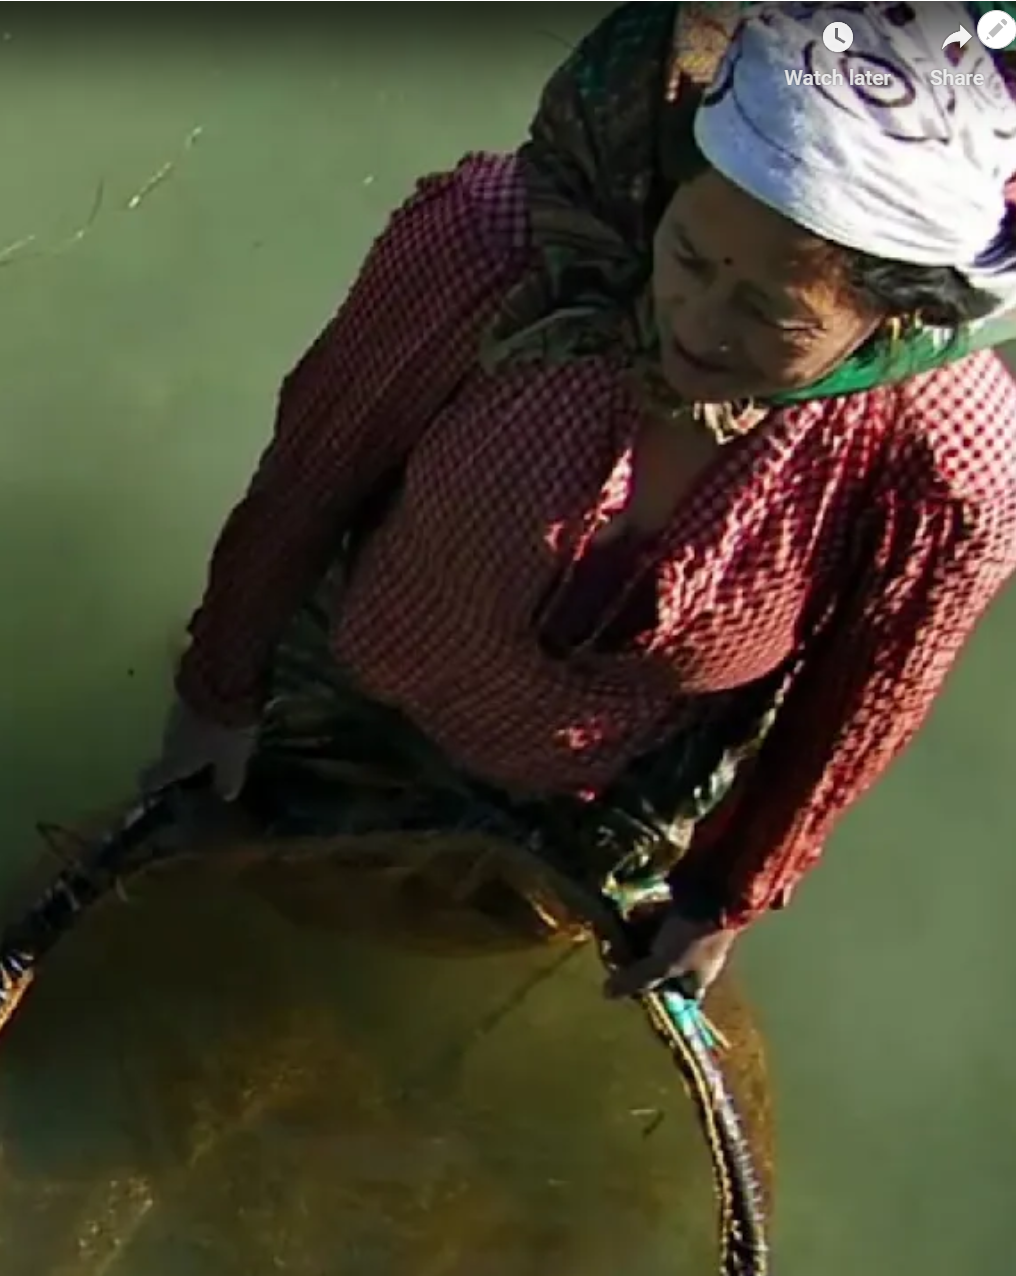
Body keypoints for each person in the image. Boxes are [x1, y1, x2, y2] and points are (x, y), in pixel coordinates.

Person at [141, 3, 1016, 1000]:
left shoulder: (944, 453)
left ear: (887, 317)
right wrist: (215, 696)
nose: (698, 319)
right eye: (689, 257)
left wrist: (720, 896)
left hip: (602, 802)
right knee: (249, 912)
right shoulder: (499, 248)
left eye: (768, 313)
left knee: (440, 965)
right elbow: (312, 469)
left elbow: (863, 701)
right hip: (351, 684)